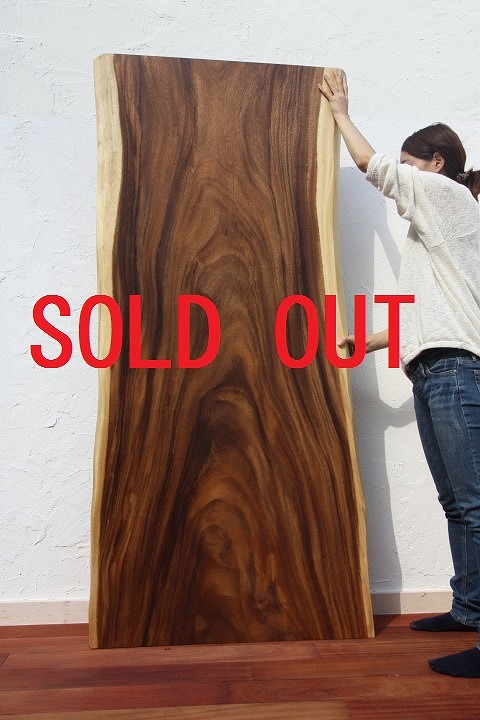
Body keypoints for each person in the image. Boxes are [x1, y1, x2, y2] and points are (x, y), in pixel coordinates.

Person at [319, 70, 480, 678]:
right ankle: (469, 609)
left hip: (455, 371)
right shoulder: (436, 232)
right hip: (435, 370)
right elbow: (431, 309)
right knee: (457, 503)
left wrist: (340, 113)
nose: (405, 177)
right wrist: (372, 340)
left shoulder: (446, 196)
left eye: (414, 164)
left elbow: (375, 166)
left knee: (475, 505)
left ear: (436, 165)